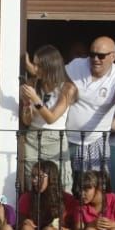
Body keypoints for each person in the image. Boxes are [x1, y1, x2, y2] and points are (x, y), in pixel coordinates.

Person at [63, 35, 115, 189]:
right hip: (66, 139)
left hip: (95, 141)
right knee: (67, 188)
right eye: (92, 54)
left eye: (101, 56)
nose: (95, 59)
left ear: (113, 56)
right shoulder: (76, 65)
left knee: (95, 189)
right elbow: (57, 82)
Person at [20, 44, 78, 193]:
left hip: (55, 138)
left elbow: (51, 118)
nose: (35, 69)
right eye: (34, 64)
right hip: (33, 136)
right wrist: (27, 104)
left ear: (50, 66)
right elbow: (26, 121)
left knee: (61, 180)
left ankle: (63, 214)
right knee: (31, 179)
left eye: (39, 65)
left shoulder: (67, 88)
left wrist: (35, 99)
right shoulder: (34, 84)